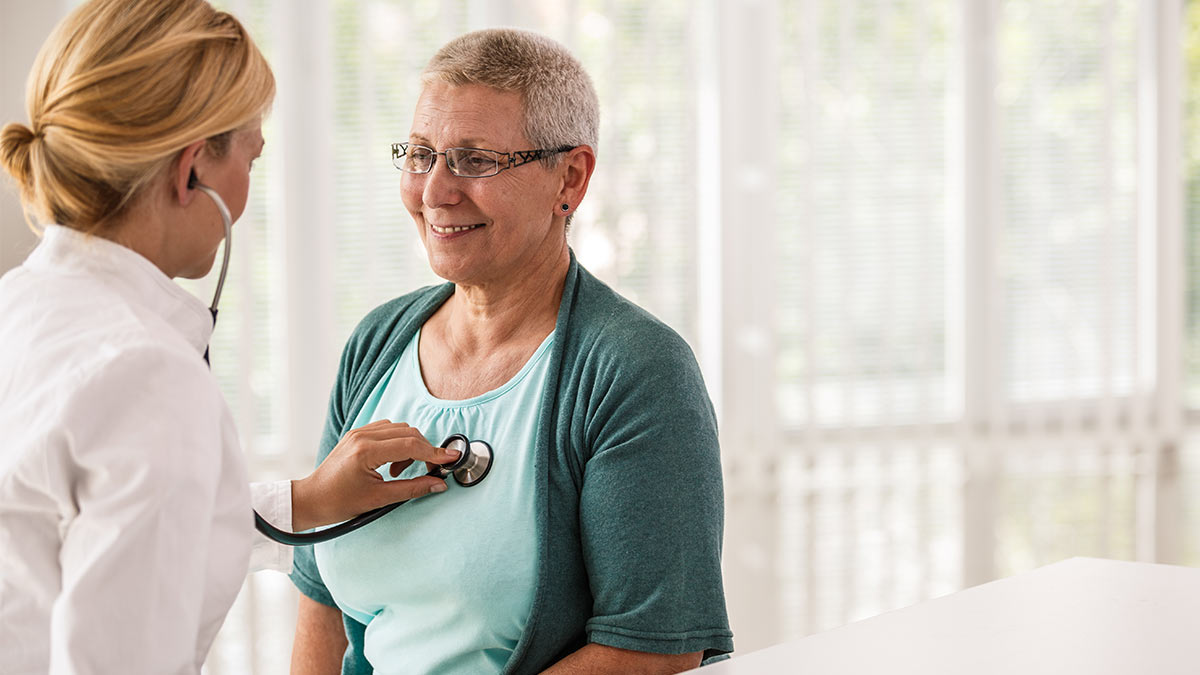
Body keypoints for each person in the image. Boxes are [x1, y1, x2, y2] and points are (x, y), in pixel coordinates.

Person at [0, 1, 459, 673]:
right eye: (250, 157)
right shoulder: (145, 374)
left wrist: (305, 501)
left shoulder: (18, 306)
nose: (247, 190)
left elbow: (79, 526)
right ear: (192, 172)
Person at [289, 28, 733, 675]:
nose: (435, 191)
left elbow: (651, 648)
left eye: (475, 160)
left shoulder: (635, 371)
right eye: (419, 154)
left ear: (570, 179)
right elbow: (319, 594)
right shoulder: (378, 343)